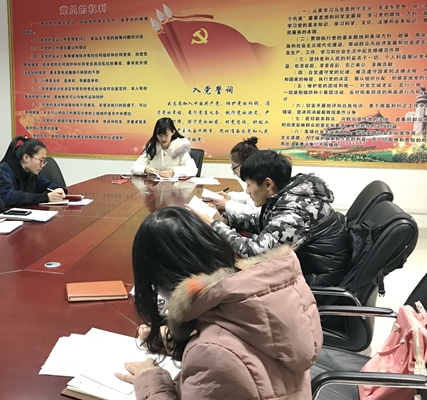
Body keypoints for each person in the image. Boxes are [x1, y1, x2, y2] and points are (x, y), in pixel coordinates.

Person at [116, 207, 322, 399]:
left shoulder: (212, 353)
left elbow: (222, 356)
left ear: (163, 281)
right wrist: (174, 342)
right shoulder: (268, 297)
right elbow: (245, 356)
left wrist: (151, 381)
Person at [193, 150, 351, 287]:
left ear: (268, 184)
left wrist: (215, 225)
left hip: (314, 283)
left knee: (223, 283)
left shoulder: (295, 210)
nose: (247, 191)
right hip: (304, 270)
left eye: (249, 185)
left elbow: (254, 252)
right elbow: (261, 221)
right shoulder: (288, 195)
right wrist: (225, 220)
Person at [0, 137, 67, 207]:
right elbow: (9, 197)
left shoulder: (32, 172)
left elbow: (47, 183)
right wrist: (46, 197)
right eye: (41, 160)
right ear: (26, 158)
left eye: (44, 161)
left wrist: (57, 189)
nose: (43, 165)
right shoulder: (3, 170)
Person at [206, 137, 260, 215]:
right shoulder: (254, 177)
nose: (234, 173)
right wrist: (229, 197)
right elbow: (248, 197)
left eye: (234, 167)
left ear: (245, 164)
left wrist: (227, 205)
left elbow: (254, 213)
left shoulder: (261, 181)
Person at [130, 118, 198, 177]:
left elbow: (193, 170)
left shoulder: (180, 148)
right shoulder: (152, 147)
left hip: (174, 186)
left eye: (166, 135)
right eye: (160, 135)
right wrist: (146, 169)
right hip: (153, 185)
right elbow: (134, 168)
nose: (163, 139)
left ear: (173, 132)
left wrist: (173, 172)